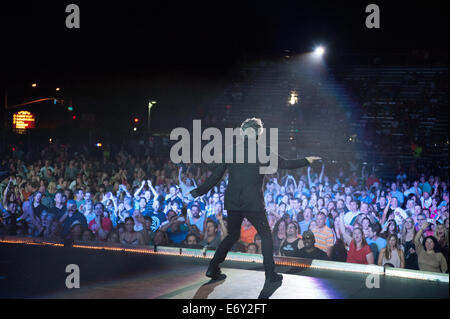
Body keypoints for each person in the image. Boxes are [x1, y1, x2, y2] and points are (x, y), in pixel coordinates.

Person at [190, 117, 321, 282]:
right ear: (258, 134)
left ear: (243, 133)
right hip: (253, 203)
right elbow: (285, 164)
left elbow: (216, 176)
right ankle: (270, 274)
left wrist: (197, 192)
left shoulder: (232, 150)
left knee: (232, 235)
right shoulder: (263, 150)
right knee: (266, 235)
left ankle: (213, 267)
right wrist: (307, 160)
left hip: (233, 202)